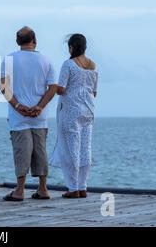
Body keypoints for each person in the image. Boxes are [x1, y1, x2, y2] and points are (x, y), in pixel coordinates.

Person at [0, 26, 57, 201]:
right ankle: (43, 189)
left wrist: (18, 106)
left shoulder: (9, 59)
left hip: (19, 116)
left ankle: (19, 190)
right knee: (40, 151)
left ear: (18, 42)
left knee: (21, 151)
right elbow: (53, 87)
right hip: (39, 116)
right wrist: (39, 107)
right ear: (35, 40)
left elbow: (3, 86)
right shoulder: (46, 60)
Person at [50, 33, 99, 199]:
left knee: (71, 149)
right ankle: (83, 186)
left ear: (72, 47)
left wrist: (50, 86)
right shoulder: (94, 66)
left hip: (71, 111)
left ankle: (73, 188)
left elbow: (62, 89)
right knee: (86, 149)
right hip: (89, 111)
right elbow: (94, 92)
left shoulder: (69, 64)